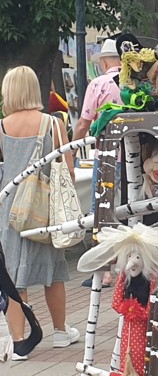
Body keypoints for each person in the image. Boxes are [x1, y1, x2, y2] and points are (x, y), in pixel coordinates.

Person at [0, 66, 79, 355]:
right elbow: (68, 171)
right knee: (53, 271)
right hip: (44, 208)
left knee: (12, 274)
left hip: (10, 208)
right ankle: (60, 331)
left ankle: (20, 340)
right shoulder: (53, 124)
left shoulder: (2, 126)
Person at [74, 33, 136, 142]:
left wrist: (72, 149)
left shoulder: (97, 84)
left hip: (107, 146)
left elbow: (83, 125)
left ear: (104, 63)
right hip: (136, 143)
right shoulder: (136, 82)